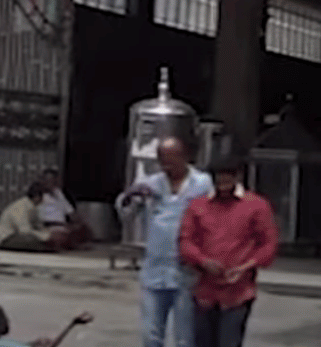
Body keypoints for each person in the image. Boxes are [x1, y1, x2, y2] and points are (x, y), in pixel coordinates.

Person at [115, 137, 213, 347]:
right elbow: (126, 214)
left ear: (184, 157)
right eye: (162, 160)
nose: (166, 165)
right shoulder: (151, 183)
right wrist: (130, 196)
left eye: (171, 160)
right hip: (155, 269)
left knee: (185, 337)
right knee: (151, 334)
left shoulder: (203, 183)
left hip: (187, 270)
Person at [178, 155, 278, 347]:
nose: (222, 184)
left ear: (237, 177)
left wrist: (245, 267)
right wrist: (203, 261)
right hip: (204, 290)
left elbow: (268, 245)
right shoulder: (198, 206)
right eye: (218, 179)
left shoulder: (256, 206)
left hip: (238, 292)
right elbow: (185, 241)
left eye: (227, 178)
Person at [0, 182, 66, 252]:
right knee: (33, 241)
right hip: (7, 238)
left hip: (19, 236)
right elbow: (25, 231)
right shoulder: (21, 207)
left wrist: (49, 234)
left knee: (44, 242)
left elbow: (38, 225)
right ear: (37, 197)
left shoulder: (33, 207)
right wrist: (46, 237)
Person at [39, 169, 90, 248]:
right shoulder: (39, 195)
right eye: (47, 180)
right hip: (49, 226)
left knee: (84, 229)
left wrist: (78, 223)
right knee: (60, 238)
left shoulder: (58, 193)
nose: (49, 182)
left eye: (52, 180)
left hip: (64, 225)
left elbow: (70, 212)